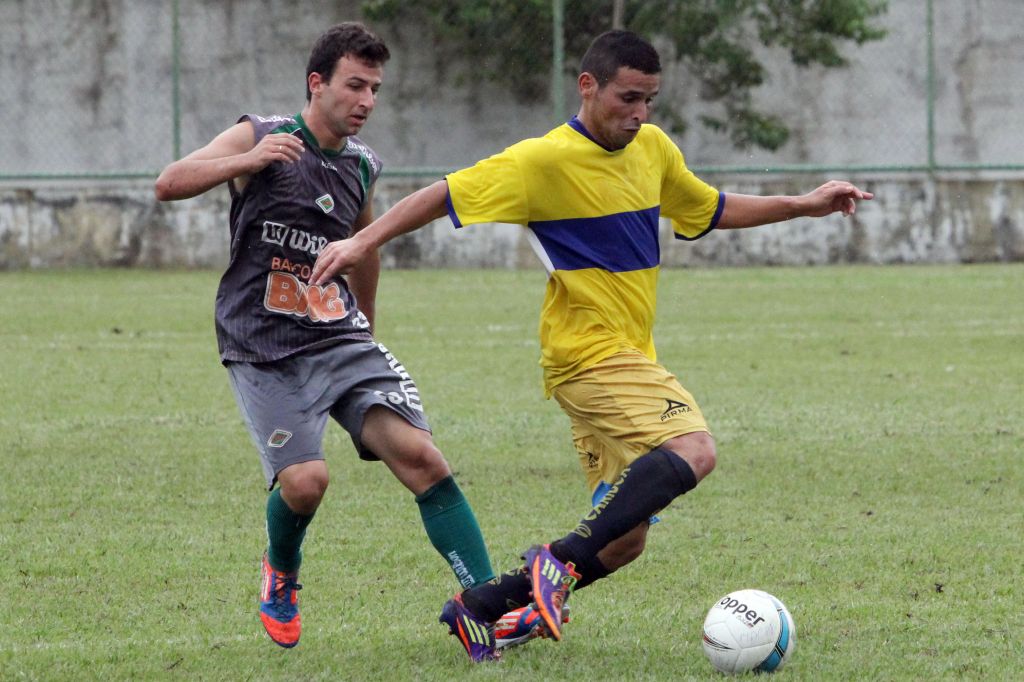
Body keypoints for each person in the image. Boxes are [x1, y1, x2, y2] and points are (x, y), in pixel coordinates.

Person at [310, 29, 874, 662]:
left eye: (649, 101)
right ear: (589, 86)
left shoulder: (654, 149)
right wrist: (363, 242)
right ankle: (557, 565)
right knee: (694, 448)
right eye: (628, 98)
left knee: (626, 537)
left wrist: (805, 204)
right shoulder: (542, 161)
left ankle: (482, 608)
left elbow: (709, 209)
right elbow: (442, 194)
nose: (638, 115)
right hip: (588, 354)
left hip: (625, 356)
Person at [153, 22, 496, 649]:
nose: (366, 101)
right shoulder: (262, 135)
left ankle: (489, 608)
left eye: (375, 89)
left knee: (424, 459)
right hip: (262, 344)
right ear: (318, 83)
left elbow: (363, 248)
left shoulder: (361, 165)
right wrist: (246, 161)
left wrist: (364, 321)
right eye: (354, 86)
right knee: (307, 483)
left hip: (339, 339)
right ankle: (281, 571)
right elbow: (168, 182)